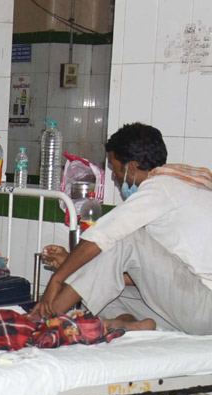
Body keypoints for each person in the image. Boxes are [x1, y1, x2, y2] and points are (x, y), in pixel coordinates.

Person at [30, 122, 212, 334]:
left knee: (125, 238)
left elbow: (103, 236)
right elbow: (141, 275)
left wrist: (57, 279)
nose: (114, 177)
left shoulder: (163, 188)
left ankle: (45, 320)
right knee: (103, 289)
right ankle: (129, 322)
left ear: (131, 168)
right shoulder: (180, 190)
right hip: (192, 307)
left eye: (114, 167)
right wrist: (75, 264)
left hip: (204, 309)